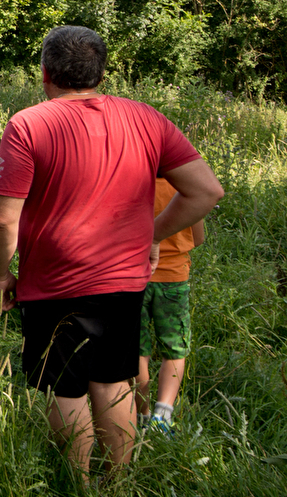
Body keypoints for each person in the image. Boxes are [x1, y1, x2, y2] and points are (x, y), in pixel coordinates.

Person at [0, 25, 224, 478]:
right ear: (100, 72)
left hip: (52, 281)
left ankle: (77, 483)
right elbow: (206, 191)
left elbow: (1, 219)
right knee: (115, 381)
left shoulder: (30, 123)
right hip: (124, 281)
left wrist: (1, 275)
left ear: (45, 73)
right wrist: (152, 235)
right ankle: (118, 480)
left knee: (64, 387)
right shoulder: (146, 118)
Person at [136, 177, 205, 433]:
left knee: (137, 349)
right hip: (174, 280)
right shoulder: (185, 185)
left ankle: (141, 415)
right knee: (175, 349)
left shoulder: (133, 179)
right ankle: (162, 415)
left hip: (134, 278)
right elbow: (198, 238)